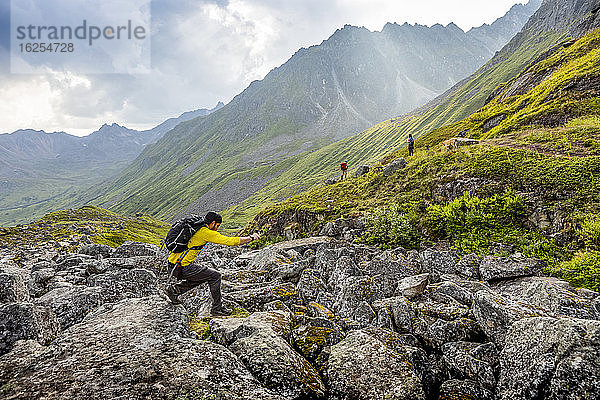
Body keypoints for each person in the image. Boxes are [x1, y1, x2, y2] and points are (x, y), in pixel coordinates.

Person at [164, 211, 260, 315]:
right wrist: (251, 238)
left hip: (173, 265)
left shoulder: (197, 226)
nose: (217, 228)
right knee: (215, 276)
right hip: (182, 267)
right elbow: (230, 241)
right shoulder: (206, 232)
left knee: (204, 276)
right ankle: (216, 309)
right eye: (217, 225)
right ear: (213, 223)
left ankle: (174, 290)